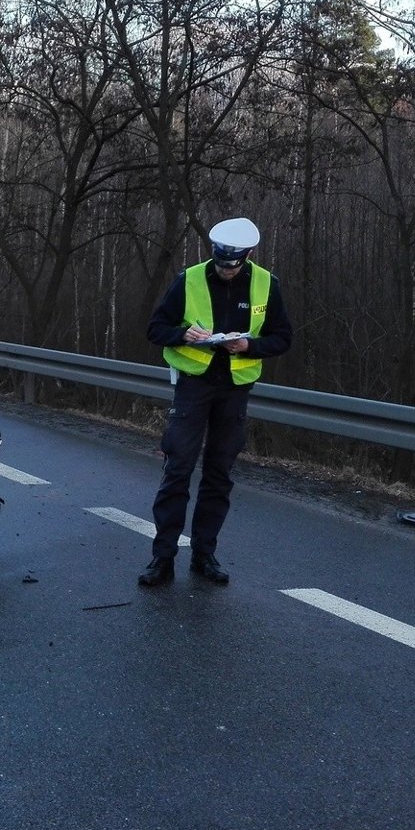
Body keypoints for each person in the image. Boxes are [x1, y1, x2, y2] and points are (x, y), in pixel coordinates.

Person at [138, 218, 293, 587]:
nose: (226, 271)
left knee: (219, 474)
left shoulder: (266, 284)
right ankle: (162, 558)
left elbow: (283, 337)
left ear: (248, 256)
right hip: (193, 387)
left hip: (235, 389)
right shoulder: (188, 278)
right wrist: (183, 335)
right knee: (177, 470)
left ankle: (204, 554)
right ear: (214, 255)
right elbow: (155, 330)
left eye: (233, 265)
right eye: (221, 263)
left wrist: (249, 346)